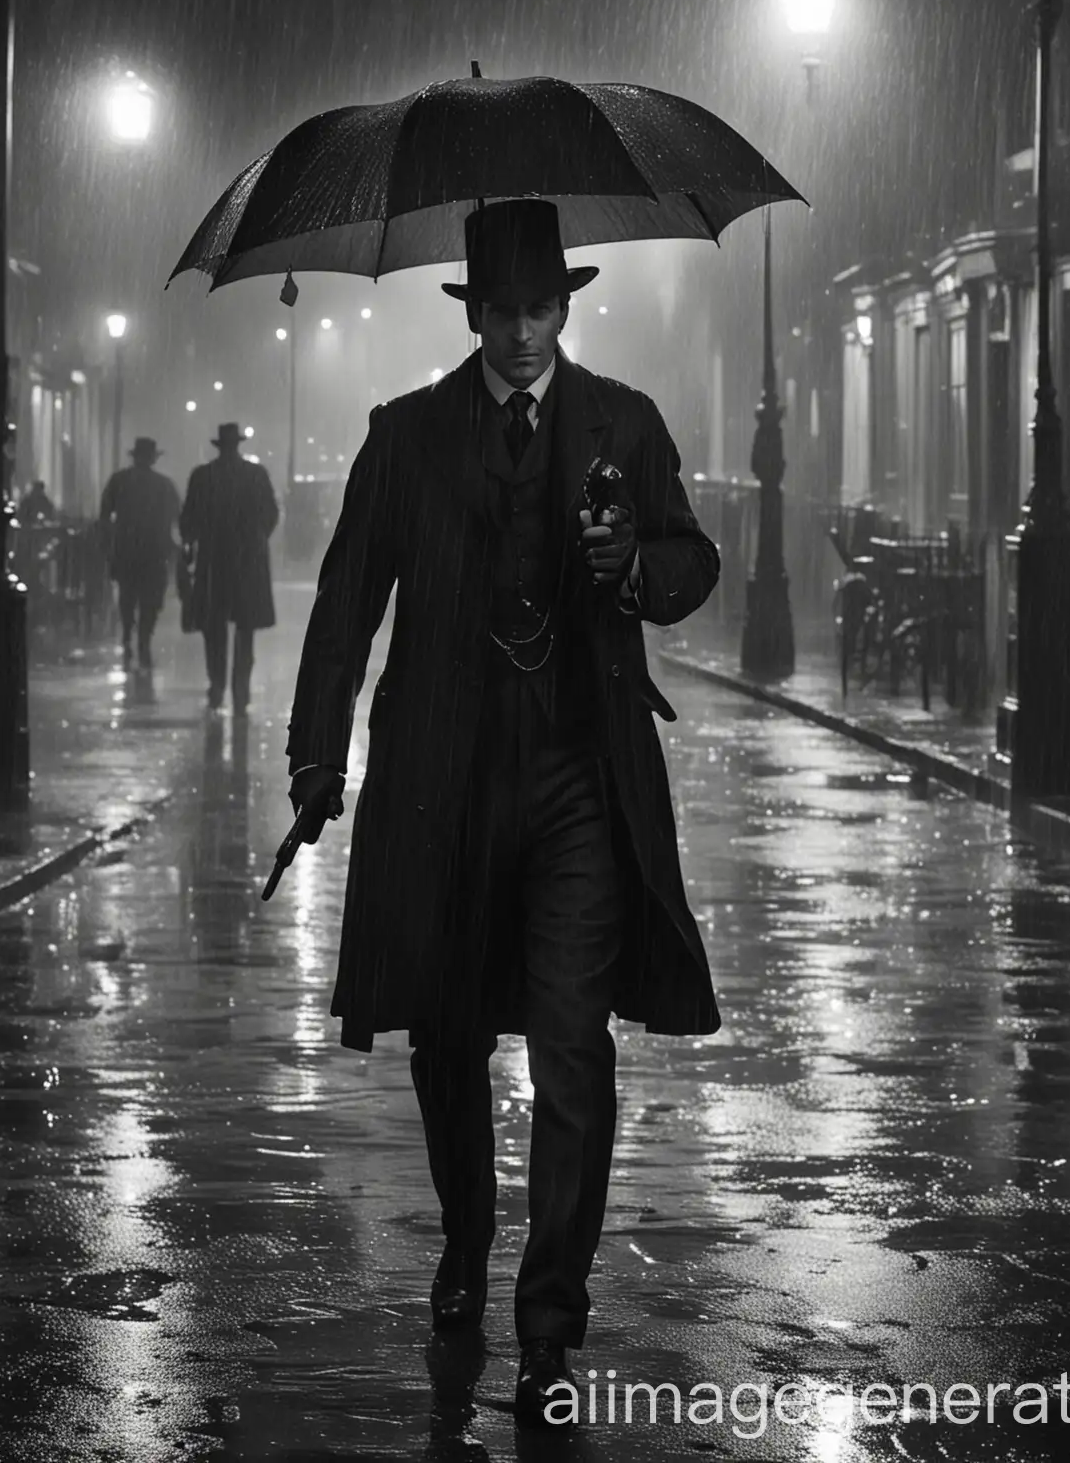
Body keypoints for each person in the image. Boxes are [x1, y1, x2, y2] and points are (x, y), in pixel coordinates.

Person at [284, 198, 721, 1427]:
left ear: (566, 307)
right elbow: (345, 603)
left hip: (581, 774)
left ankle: (548, 1326)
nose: (523, 332)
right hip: (444, 780)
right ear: (471, 313)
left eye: (541, 308)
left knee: (574, 1049)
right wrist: (315, 757)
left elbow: (694, 563)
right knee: (448, 1037)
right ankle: (465, 1249)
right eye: (502, 310)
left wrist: (632, 562)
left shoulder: (622, 424)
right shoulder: (408, 437)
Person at [180, 422, 279, 714]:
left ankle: (217, 685)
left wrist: (194, 545)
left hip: (213, 561)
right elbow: (270, 515)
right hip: (247, 562)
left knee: (214, 629)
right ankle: (240, 690)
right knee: (245, 631)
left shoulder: (202, 476)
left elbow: (188, 520)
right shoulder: (256, 475)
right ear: (238, 445)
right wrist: (255, 540)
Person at [99, 436, 180, 669]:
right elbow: (178, 516)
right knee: (151, 598)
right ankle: (144, 638)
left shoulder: (120, 481)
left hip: (127, 548)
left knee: (128, 594)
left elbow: (105, 514)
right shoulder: (164, 485)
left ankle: (128, 634)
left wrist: (108, 543)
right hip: (154, 550)